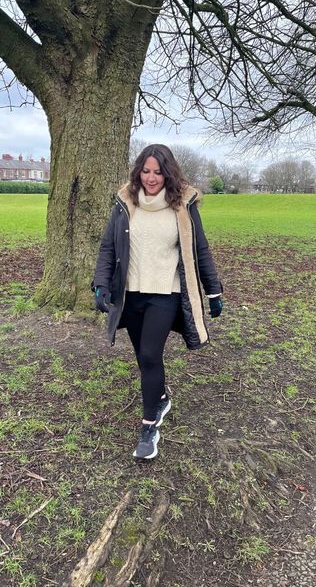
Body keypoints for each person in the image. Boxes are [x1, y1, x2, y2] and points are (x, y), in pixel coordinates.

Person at [92, 143, 224, 460]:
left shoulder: (182, 205)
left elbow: (200, 249)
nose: (152, 178)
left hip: (166, 292)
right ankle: (161, 398)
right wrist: (100, 283)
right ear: (139, 171)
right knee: (144, 357)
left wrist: (213, 289)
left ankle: (149, 426)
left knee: (151, 354)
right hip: (131, 295)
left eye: (158, 172)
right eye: (146, 171)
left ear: (169, 173)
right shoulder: (126, 202)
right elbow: (108, 246)